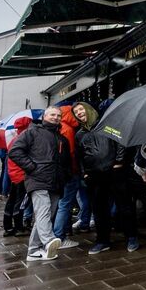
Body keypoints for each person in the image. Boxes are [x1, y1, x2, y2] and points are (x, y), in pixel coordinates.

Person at [9, 106, 69, 261]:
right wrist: (32, 167)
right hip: (38, 180)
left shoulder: (62, 139)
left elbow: (66, 162)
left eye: (58, 115)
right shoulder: (32, 132)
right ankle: (49, 240)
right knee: (43, 211)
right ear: (44, 116)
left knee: (47, 215)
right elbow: (15, 151)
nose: (56, 117)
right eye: (52, 114)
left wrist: (65, 176)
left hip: (56, 182)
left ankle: (33, 250)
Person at [75, 103, 123, 255]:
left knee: (123, 205)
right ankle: (103, 240)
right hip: (94, 176)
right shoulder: (79, 134)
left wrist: (119, 162)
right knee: (99, 210)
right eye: (76, 112)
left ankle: (131, 237)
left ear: (89, 109)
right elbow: (80, 156)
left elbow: (119, 141)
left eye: (81, 109)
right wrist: (84, 173)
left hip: (113, 172)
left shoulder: (107, 125)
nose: (79, 113)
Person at [52, 105, 84, 249]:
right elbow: (71, 153)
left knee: (61, 204)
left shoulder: (58, 127)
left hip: (59, 173)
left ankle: (62, 232)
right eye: (75, 113)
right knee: (65, 205)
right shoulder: (69, 130)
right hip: (70, 173)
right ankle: (59, 237)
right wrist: (76, 171)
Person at [2, 116, 33, 236]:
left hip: (14, 175)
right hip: (22, 175)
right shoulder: (26, 139)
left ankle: (8, 227)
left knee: (12, 201)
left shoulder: (15, 139)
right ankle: (19, 228)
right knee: (21, 202)